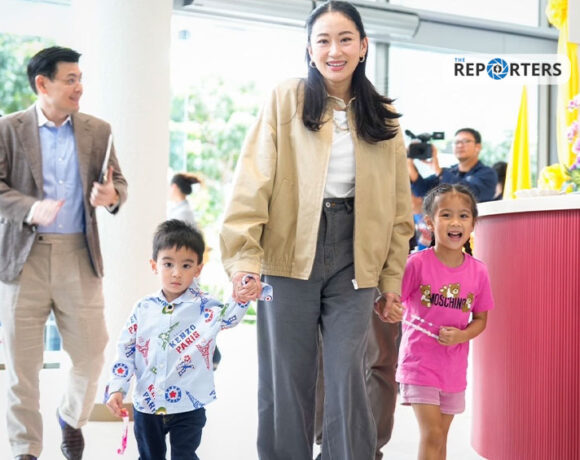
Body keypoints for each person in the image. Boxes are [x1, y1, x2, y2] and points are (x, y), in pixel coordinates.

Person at [219, 2, 414, 459]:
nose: (334, 51)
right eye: (323, 41)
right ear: (309, 49)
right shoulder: (286, 99)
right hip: (288, 250)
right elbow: (253, 180)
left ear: (363, 46)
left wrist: (390, 281)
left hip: (355, 256)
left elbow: (398, 208)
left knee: (348, 376)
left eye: (345, 39)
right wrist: (244, 257)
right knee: (286, 377)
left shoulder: (383, 116)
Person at [0, 46, 127, 460]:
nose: (79, 87)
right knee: (22, 367)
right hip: (24, 259)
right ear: (43, 83)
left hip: (79, 256)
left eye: (80, 78)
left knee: (92, 353)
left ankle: (71, 417)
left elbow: (118, 183)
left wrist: (111, 196)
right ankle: (25, 449)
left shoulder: (98, 130)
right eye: (70, 79)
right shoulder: (8, 129)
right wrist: (29, 208)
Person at [105, 220, 267, 460]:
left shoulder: (205, 306)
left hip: (189, 406)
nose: (176, 273)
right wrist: (117, 388)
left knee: (185, 456)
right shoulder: (143, 308)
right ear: (154, 265)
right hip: (147, 405)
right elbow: (125, 350)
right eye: (168, 264)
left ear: (198, 269)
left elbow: (228, 318)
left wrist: (241, 298)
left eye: (186, 265)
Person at [396, 183, 494, 460]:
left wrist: (461, 336)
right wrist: (388, 307)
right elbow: (393, 302)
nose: (455, 222)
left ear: (473, 224)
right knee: (433, 434)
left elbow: (481, 319)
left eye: (463, 216)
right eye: (446, 215)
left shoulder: (479, 272)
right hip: (419, 365)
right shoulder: (416, 264)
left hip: (453, 369)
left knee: (441, 439)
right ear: (429, 222)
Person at [407, 128, 498, 203]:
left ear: (478, 147)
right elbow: (422, 190)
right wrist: (409, 161)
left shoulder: (488, 173)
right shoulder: (449, 172)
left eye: (465, 141)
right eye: (456, 142)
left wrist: (439, 171)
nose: (460, 145)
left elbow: (471, 194)